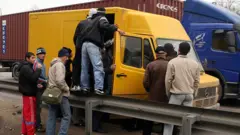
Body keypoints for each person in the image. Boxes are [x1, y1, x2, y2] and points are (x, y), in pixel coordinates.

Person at [81, 7, 125, 95]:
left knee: (84, 68)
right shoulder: (102, 18)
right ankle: (98, 89)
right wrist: (117, 29)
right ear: (104, 13)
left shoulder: (91, 21)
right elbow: (104, 25)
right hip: (93, 45)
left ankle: (84, 87)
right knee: (98, 67)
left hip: (84, 45)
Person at [163, 42, 201, 135]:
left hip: (176, 95)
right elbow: (197, 81)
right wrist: (193, 93)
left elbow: (168, 80)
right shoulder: (195, 64)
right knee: (187, 121)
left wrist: (168, 93)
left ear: (179, 50)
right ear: (188, 51)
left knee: (169, 120)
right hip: (189, 94)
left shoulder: (172, 62)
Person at [142, 46, 169, 135]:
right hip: (166, 98)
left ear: (156, 54)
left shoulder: (150, 65)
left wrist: (150, 90)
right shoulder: (170, 65)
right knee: (165, 120)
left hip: (153, 97)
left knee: (149, 118)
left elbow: (145, 82)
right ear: (165, 54)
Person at [46, 48, 71, 135]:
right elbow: (60, 81)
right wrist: (66, 88)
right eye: (67, 56)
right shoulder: (60, 65)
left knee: (51, 116)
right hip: (60, 94)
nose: (67, 59)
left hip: (52, 93)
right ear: (63, 56)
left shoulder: (52, 65)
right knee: (67, 116)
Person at [72, 8, 97, 91]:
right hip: (91, 47)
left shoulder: (81, 23)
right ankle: (89, 86)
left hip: (80, 46)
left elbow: (75, 37)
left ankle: (76, 85)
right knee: (90, 66)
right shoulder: (96, 24)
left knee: (77, 65)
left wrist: (78, 46)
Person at [19, 52, 42, 135]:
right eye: (32, 58)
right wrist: (39, 69)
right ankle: (30, 133)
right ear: (27, 59)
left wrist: (36, 84)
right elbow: (33, 78)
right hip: (29, 95)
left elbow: (29, 80)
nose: (34, 59)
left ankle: (24, 132)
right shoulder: (26, 67)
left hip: (27, 94)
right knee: (31, 116)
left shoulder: (27, 67)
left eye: (34, 57)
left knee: (26, 114)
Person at [35, 47, 47, 132]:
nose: (43, 55)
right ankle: (37, 125)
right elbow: (35, 76)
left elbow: (43, 76)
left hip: (42, 86)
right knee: (38, 107)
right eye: (41, 54)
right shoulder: (36, 64)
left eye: (44, 54)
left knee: (39, 106)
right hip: (38, 87)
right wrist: (44, 81)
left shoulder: (43, 64)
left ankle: (37, 123)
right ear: (37, 55)